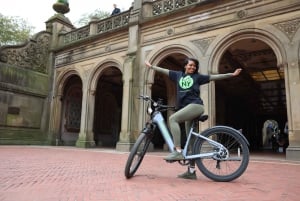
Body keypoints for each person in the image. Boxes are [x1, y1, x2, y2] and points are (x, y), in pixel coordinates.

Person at [145, 58, 242, 179]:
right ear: (185, 66)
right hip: (188, 109)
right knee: (191, 144)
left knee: (173, 119)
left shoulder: (198, 77)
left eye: (194, 66)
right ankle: (191, 172)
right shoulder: (177, 75)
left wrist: (231, 74)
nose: (193, 67)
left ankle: (177, 151)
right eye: (190, 65)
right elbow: (164, 70)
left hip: (196, 106)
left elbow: (213, 77)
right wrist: (151, 66)